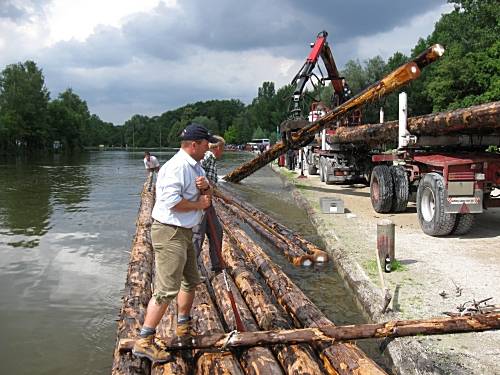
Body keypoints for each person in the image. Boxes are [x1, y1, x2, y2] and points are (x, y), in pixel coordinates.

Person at [132, 123, 217, 363]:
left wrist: (206, 188)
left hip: (184, 231)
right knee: (166, 289)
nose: (208, 148)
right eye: (205, 144)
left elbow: (207, 196)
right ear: (194, 145)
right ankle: (144, 341)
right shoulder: (177, 167)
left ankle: (183, 327)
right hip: (170, 232)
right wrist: (200, 204)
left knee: (190, 280)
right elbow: (171, 202)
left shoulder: (195, 165)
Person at [192, 135, 225, 274]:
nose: (222, 153)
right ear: (217, 148)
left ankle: (217, 264)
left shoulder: (204, 157)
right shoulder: (209, 157)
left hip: (206, 201)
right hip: (203, 201)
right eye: (222, 149)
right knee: (198, 237)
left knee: (216, 231)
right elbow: (207, 180)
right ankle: (189, 272)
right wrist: (219, 194)